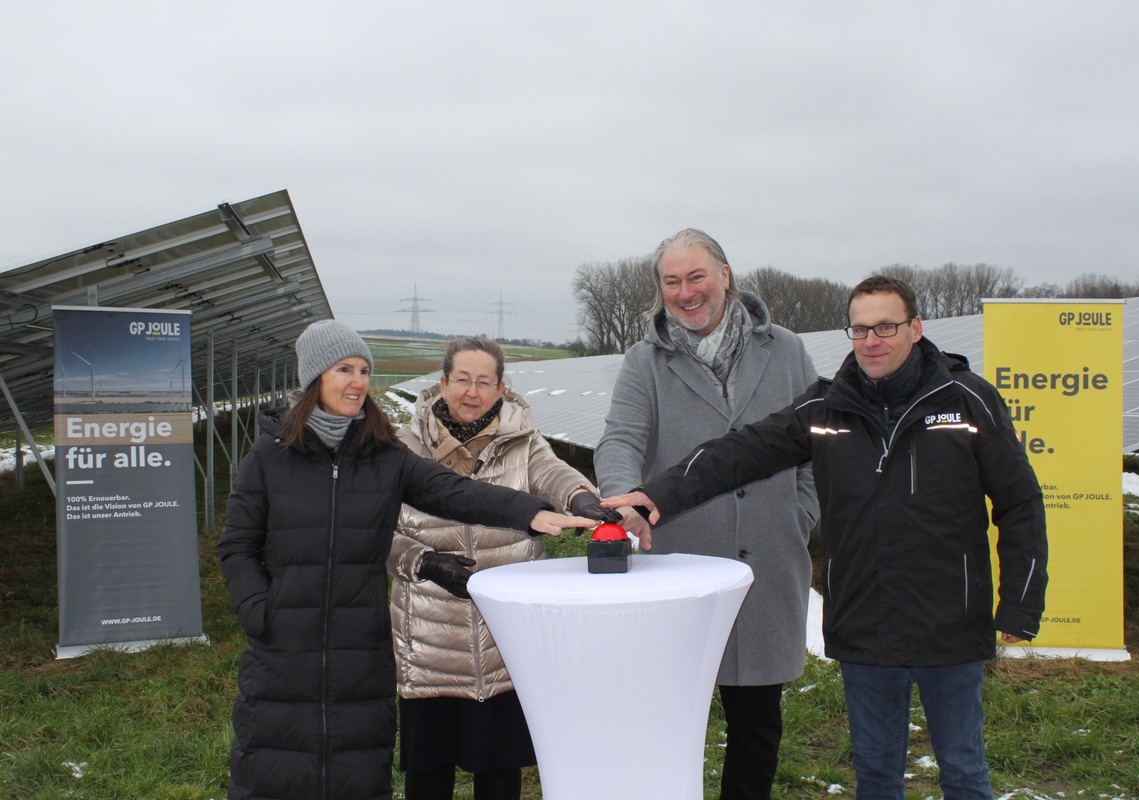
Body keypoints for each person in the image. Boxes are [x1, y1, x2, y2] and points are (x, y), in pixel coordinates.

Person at [603, 275, 1050, 800]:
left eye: (886, 326)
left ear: (916, 328)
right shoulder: (827, 408)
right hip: (864, 618)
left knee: (963, 771)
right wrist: (658, 495)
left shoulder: (968, 401)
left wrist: (1020, 602)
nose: (872, 341)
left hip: (951, 618)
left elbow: (1020, 503)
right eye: (859, 330)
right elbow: (741, 451)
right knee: (877, 775)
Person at [217, 320, 602, 800]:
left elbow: (458, 493)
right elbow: (237, 544)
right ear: (315, 377)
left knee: (358, 769)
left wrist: (535, 513)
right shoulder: (270, 457)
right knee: (277, 768)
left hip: (362, 648)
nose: (357, 381)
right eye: (344, 369)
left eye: (363, 370)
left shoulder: (382, 456)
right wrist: (260, 611)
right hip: (290, 648)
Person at [593, 228, 821, 800]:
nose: (686, 292)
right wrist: (627, 504)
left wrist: (803, 511)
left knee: (756, 721)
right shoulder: (646, 360)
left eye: (697, 276)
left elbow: (817, 438)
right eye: (672, 281)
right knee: (675, 718)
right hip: (681, 556)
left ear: (725, 275)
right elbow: (619, 440)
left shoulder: (786, 350)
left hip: (767, 556)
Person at [388, 336, 624, 800]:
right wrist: (424, 561)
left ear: (500, 389)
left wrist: (582, 499)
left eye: (483, 382)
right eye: (461, 380)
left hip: (506, 642)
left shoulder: (523, 442)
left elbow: (554, 474)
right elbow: (376, 533)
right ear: (442, 383)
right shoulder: (401, 447)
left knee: (499, 774)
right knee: (428, 777)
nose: (471, 392)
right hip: (431, 640)